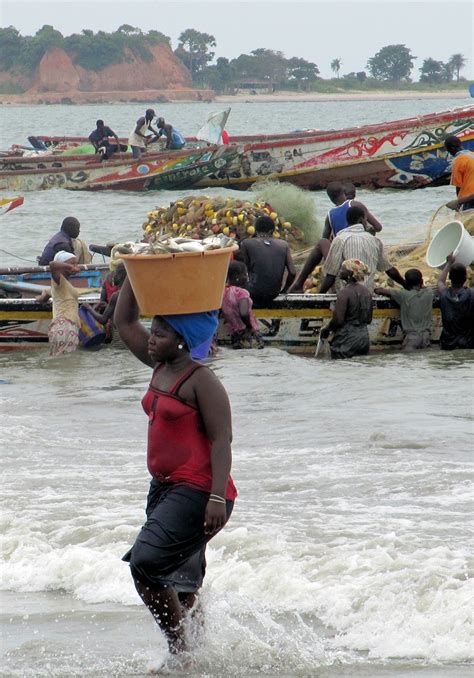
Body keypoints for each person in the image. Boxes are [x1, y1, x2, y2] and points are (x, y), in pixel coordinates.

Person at [114, 277, 237, 656]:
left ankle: (179, 650)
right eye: (154, 330)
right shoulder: (159, 364)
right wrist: (136, 274)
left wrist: (216, 496)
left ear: (183, 340)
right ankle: (201, 653)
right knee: (181, 581)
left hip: (201, 492)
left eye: (162, 333)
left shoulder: (202, 380)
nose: (152, 337)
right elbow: (124, 322)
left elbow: (222, 441)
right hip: (166, 489)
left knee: (146, 563)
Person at [288, 182, 382, 292]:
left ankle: (299, 284)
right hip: (362, 261)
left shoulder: (330, 214)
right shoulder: (356, 205)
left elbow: (325, 239)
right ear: (344, 192)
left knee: (322, 242)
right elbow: (378, 227)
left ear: (330, 198)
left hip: (342, 264)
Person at [319, 205, 405, 294]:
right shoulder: (374, 240)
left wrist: (319, 296)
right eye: (366, 220)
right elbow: (389, 270)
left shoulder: (340, 239)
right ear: (361, 220)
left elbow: (331, 275)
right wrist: (405, 284)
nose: (367, 223)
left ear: (348, 220)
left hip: (345, 295)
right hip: (367, 294)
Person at [320, 259, 373, 359]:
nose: (339, 271)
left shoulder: (345, 293)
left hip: (346, 339)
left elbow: (338, 320)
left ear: (350, 273)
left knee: (342, 370)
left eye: (342, 269)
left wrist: (327, 330)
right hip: (364, 339)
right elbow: (369, 319)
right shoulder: (367, 292)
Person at [238, 215, 296, 307]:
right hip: (274, 293)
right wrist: (285, 290)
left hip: (253, 293)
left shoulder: (246, 243)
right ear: (272, 231)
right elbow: (292, 272)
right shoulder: (284, 245)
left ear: (255, 230)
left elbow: (244, 269)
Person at [375, 268, 434, 351]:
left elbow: (379, 291)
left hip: (411, 338)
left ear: (406, 283)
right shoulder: (429, 293)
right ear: (421, 281)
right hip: (426, 336)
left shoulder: (403, 294)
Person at [36, 251, 82, 356]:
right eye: (72, 263)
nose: (75, 266)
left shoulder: (61, 284)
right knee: (67, 365)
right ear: (62, 265)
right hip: (65, 326)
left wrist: (41, 298)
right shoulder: (58, 280)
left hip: (63, 327)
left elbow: (49, 292)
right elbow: (52, 264)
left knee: (60, 363)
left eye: (75, 264)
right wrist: (70, 267)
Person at [221, 261, 264, 349]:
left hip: (235, 335)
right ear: (237, 277)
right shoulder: (241, 292)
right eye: (245, 274)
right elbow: (243, 312)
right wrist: (249, 327)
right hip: (249, 334)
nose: (247, 278)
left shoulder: (222, 292)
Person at [437, 254, 474, 350]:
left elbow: (440, 281)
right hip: (467, 343)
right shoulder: (471, 294)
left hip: (448, 343)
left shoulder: (444, 294)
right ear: (465, 277)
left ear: (450, 278)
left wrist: (449, 263)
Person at [82, 263, 126, 342]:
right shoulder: (132, 294)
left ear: (119, 276)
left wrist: (89, 308)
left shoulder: (116, 295)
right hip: (130, 338)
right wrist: (107, 306)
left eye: (115, 274)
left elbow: (103, 319)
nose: (113, 276)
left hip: (118, 338)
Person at [444, 135, 474, 211]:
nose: (450, 153)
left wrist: (458, 203)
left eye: (449, 151)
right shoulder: (472, 154)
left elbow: (458, 186)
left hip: (468, 199)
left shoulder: (457, 161)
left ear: (452, 148)